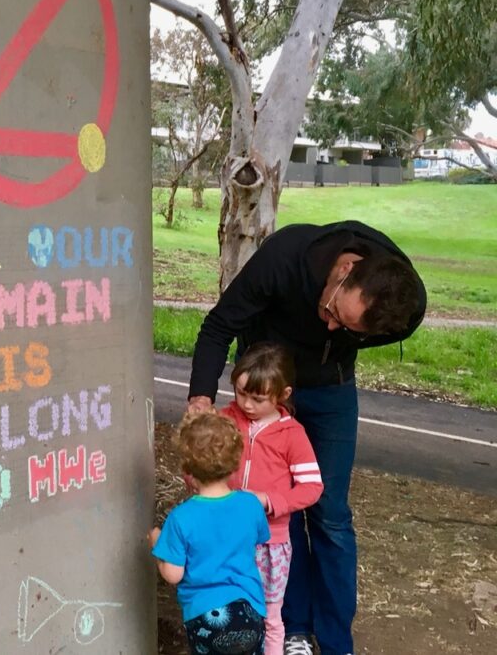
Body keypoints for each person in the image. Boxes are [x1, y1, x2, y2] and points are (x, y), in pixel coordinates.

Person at [187, 221, 427, 655]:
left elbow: (368, 330)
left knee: (330, 514)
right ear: (343, 270)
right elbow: (218, 326)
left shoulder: (406, 304)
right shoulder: (285, 257)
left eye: (350, 328)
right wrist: (201, 400)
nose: (333, 327)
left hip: (331, 389)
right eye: (335, 312)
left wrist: (341, 344)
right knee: (279, 511)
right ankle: (292, 626)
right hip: (267, 388)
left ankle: (336, 640)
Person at [221, 343, 324, 655]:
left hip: (270, 541)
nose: (247, 404)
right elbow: (200, 461)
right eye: (241, 394)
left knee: (269, 613)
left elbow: (311, 487)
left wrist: (270, 501)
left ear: (283, 394)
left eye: (258, 398)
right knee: (226, 609)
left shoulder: (292, 435)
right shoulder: (225, 420)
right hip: (225, 536)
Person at [150, 411, 270, 655]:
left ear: (188, 470)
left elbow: (173, 575)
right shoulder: (251, 504)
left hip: (205, 616)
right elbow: (256, 540)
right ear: (235, 463)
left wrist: (157, 545)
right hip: (251, 609)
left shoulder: (181, 518)